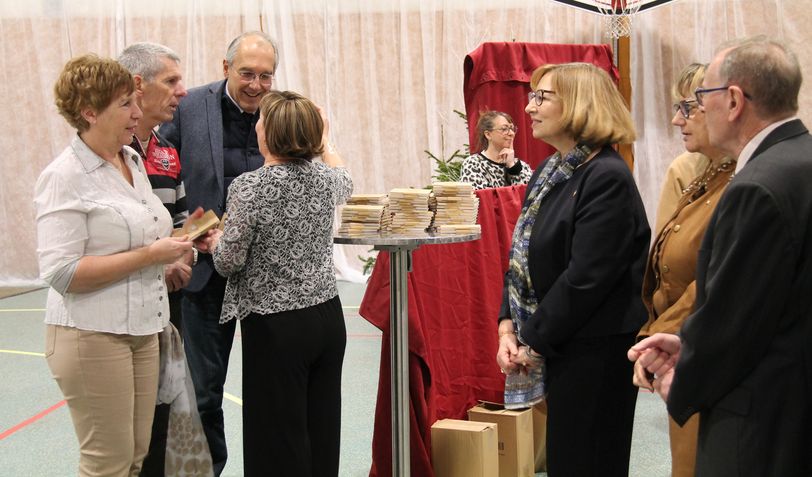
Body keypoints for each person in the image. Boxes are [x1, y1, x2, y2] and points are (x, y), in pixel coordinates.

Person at [629, 36, 812, 475]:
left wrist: (685, 375)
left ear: (733, 101)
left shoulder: (755, 185)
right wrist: (685, 342)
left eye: (701, 96)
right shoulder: (799, 159)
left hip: (758, 417)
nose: (692, 111)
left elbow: (735, 316)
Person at [34, 54, 193, 476]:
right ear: (89, 112)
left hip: (142, 330)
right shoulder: (64, 176)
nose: (138, 113)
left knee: (135, 458)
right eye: (126, 104)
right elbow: (62, 273)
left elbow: (143, 232)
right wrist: (150, 257)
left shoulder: (131, 161)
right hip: (92, 335)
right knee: (108, 463)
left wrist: (175, 250)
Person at [495, 62, 650, 476]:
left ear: (581, 105)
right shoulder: (551, 170)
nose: (529, 108)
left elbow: (586, 278)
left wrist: (532, 340)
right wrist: (507, 326)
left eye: (541, 97)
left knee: (587, 461)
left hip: (595, 351)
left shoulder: (607, 176)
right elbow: (522, 256)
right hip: (562, 342)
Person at [195, 91, 352, 476]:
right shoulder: (326, 180)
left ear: (270, 133)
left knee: (277, 439)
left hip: (277, 325)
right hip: (327, 317)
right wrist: (325, 139)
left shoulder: (250, 186)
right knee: (321, 430)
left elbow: (229, 262)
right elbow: (346, 179)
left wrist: (214, 240)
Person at [158, 31, 278, 475]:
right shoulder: (190, 106)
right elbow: (160, 168)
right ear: (225, 68)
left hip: (266, 279)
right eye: (247, 74)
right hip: (206, 274)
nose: (256, 85)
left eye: (266, 75)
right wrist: (178, 232)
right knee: (204, 392)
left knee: (273, 394)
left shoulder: (280, 111)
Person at [633, 63, 735, 477]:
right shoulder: (706, 173)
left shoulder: (740, 181)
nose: (677, 119)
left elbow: (711, 277)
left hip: (702, 346)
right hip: (685, 346)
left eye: (688, 107)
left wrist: (658, 336)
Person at [117, 41, 198, 477]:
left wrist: (185, 257)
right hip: (124, 309)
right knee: (124, 433)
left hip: (170, 301)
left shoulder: (167, 149)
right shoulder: (107, 153)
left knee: (164, 413)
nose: (182, 91)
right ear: (137, 85)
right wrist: (155, 263)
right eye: (171, 81)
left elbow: (180, 221)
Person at [459, 110, 532, 189]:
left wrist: (513, 167)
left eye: (512, 128)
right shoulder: (474, 164)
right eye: (504, 129)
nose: (511, 133)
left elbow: (528, 194)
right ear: (488, 134)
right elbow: (481, 196)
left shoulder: (522, 167)